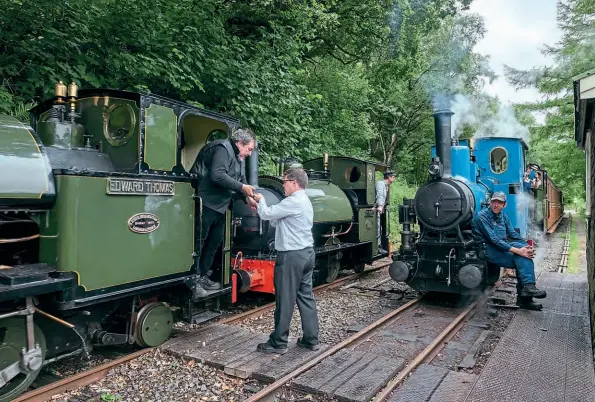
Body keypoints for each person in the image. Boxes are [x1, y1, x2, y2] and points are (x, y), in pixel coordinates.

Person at [252, 168, 320, 354]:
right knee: (306, 297)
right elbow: (277, 221)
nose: (283, 185)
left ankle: (278, 342)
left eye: (285, 181)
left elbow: (267, 215)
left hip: (291, 256)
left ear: (295, 183)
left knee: (285, 298)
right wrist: (259, 208)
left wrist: (261, 202)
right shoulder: (303, 201)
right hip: (306, 254)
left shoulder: (293, 201)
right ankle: (311, 339)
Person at [190, 128, 258, 298]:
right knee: (199, 242)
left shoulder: (238, 156)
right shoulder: (222, 148)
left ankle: (203, 276)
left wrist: (247, 196)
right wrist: (243, 188)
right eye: (249, 149)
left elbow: (240, 179)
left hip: (221, 205)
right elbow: (217, 175)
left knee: (214, 242)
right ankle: (192, 280)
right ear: (239, 143)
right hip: (205, 202)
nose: (249, 153)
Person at [471, 191, 547, 310]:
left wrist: (527, 247)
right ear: (490, 203)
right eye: (494, 202)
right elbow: (494, 239)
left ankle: (528, 288)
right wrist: (518, 251)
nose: (496, 205)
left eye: (499, 202)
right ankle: (525, 296)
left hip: (501, 245)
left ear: (504, 205)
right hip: (487, 248)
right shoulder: (482, 216)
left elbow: (512, 234)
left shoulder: (503, 216)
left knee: (524, 254)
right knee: (520, 258)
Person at [375, 170, 396, 255]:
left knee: (379, 227)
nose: (394, 178)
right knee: (377, 227)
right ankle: (378, 246)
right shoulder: (381, 184)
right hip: (376, 208)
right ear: (389, 177)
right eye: (393, 177)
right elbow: (380, 195)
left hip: (381, 208)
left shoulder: (386, 186)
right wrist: (380, 206)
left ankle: (380, 245)